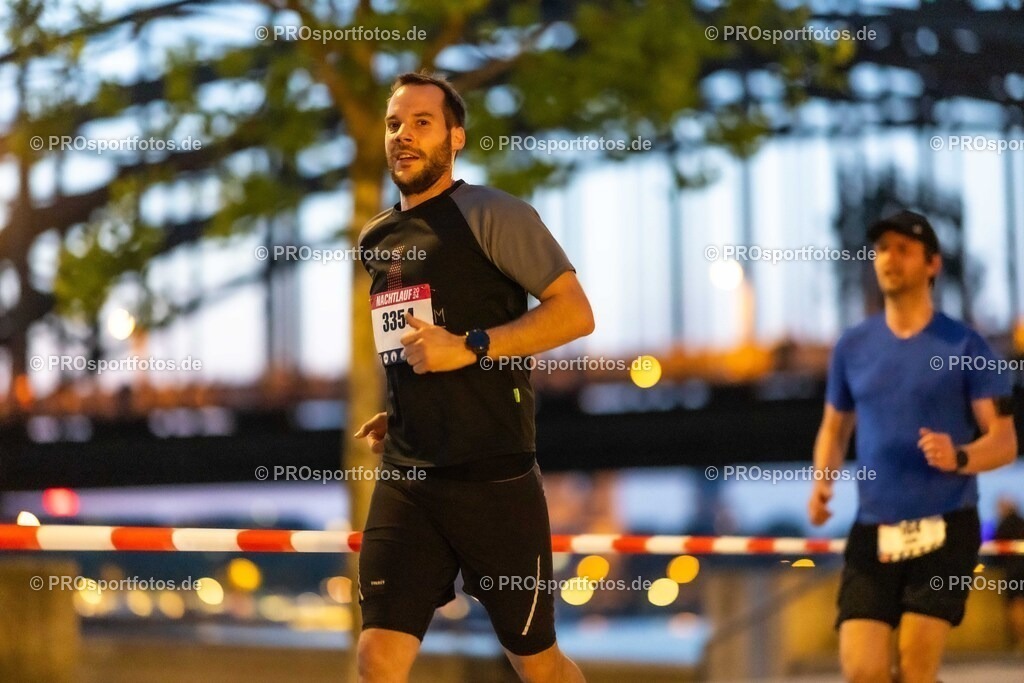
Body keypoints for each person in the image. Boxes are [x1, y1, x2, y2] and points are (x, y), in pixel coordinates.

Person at [353, 71, 593, 683]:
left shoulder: (494, 213)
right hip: (408, 478)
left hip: (494, 480)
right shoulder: (376, 238)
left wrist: (471, 347)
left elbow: (575, 313)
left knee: (538, 666)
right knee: (377, 657)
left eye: (422, 122)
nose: (403, 135)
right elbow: (411, 344)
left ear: (455, 137)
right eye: (394, 124)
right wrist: (405, 409)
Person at [806, 210, 1018, 682]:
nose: (889, 259)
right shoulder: (852, 347)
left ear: (932, 264)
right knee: (862, 670)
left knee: (917, 668)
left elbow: (1005, 442)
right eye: (882, 249)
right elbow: (834, 429)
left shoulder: (967, 346)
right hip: (874, 528)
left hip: (946, 526)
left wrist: (959, 456)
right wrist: (823, 482)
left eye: (904, 249)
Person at [994, 496, 1024, 651]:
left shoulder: (1004, 525)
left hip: (1014, 572)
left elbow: (995, 553)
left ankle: (1021, 641)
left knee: (1016, 605)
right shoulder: (1021, 522)